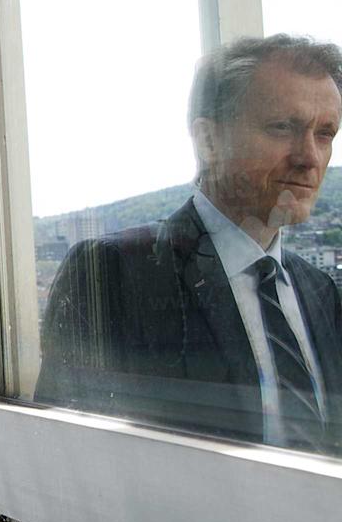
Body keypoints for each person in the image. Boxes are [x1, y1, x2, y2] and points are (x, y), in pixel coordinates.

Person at [37, 34, 342, 452]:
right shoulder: (115, 273)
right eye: (282, 127)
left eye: (325, 134)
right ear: (209, 141)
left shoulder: (319, 292)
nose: (310, 157)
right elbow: (65, 455)